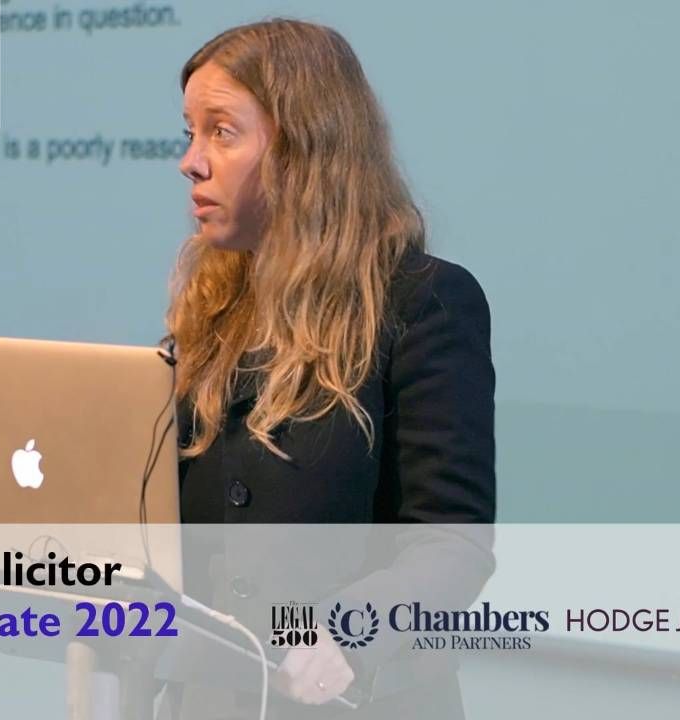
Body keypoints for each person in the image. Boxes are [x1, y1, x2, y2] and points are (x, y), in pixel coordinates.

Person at [163, 18, 496, 720]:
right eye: (190, 133)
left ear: (303, 147)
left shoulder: (424, 302)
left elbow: (451, 543)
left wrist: (350, 631)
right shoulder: (208, 309)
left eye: (222, 132)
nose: (191, 161)